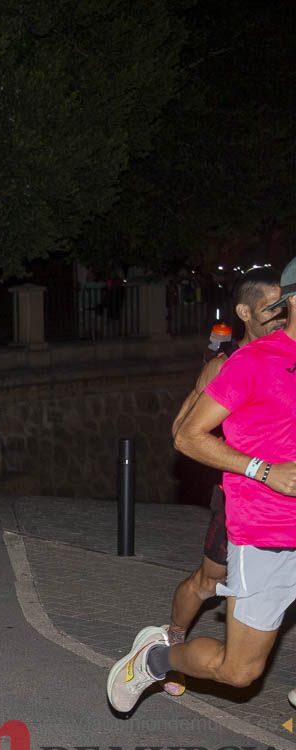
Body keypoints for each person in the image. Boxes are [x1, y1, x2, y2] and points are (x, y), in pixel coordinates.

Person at [111, 256, 296, 715]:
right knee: (239, 672)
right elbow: (186, 436)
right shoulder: (249, 363)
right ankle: (156, 659)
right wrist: (265, 470)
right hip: (268, 532)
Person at [162, 268, 283, 695]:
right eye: (272, 307)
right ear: (244, 312)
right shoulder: (226, 366)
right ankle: (172, 640)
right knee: (208, 581)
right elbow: (183, 431)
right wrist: (247, 458)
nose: (281, 314)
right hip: (240, 500)